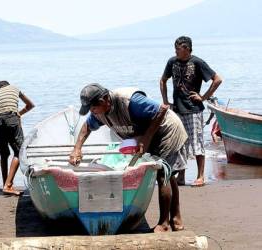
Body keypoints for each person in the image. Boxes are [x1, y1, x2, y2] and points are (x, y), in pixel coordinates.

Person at [69, 83, 188, 232]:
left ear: (105, 99)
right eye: (90, 109)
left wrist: (146, 139)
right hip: (147, 135)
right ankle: (176, 219)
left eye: (93, 108)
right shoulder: (99, 113)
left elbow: (162, 109)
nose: (92, 112)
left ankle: (164, 224)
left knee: (162, 173)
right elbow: (87, 126)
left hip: (166, 130)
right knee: (168, 174)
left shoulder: (129, 101)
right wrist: (77, 148)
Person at [160, 36, 222, 187]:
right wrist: (166, 101)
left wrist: (203, 97)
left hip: (193, 110)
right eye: (174, 48)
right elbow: (162, 80)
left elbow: (217, 79)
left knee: (196, 143)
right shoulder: (172, 62)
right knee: (179, 144)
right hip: (177, 110)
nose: (175, 51)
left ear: (187, 49)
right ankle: (181, 176)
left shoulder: (197, 62)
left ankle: (200, 176)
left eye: (178, 49)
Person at [0, 80, 35, 196]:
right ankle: (8, 185)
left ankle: (6, 184)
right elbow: (30, 105)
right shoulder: (14, 88)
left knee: (4, 154)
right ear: (7, 86)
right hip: (11, 119)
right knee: (19, 152)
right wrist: (20, 113)